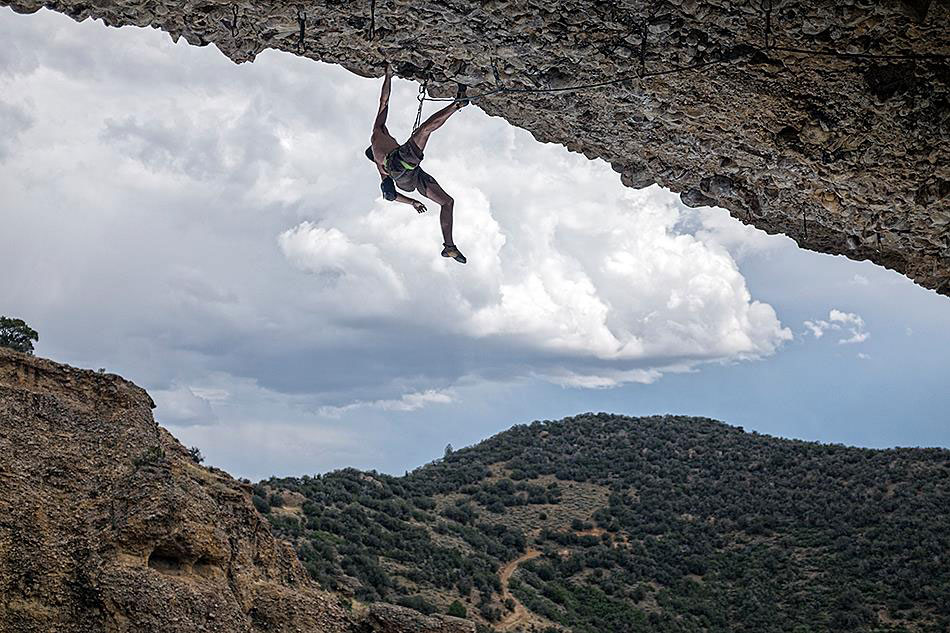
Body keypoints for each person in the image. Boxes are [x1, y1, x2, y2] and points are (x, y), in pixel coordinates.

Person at [366, 65, 468, 263]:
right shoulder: (376, 135)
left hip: (409, 176)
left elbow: (389, 195)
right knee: (423, 131)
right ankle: (458, 104)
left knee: (447, 202)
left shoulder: (381, 167)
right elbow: (383, 101)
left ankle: (449, 247)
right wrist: (388, 75)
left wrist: (412, 202)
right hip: (400, 165)